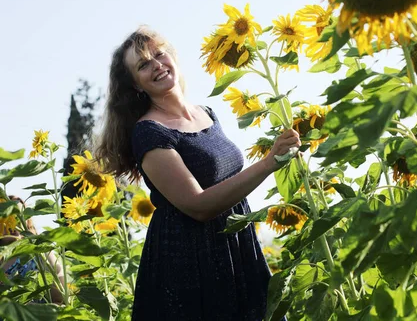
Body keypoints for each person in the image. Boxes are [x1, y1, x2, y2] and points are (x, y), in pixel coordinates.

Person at [94, 26, 300, 320]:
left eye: (159, 54)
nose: (156, 64)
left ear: (172, 57)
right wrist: (268, 163)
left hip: (236, 244)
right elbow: (198, 205)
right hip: (191, 259)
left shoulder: (207, 113)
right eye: (143, 64)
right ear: (136, 85)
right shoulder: (149, 132)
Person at [0, 196, 64, 304]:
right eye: (7, 218)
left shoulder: (40, 252)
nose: (14, 224)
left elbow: (60, 300)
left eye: (18, 217)